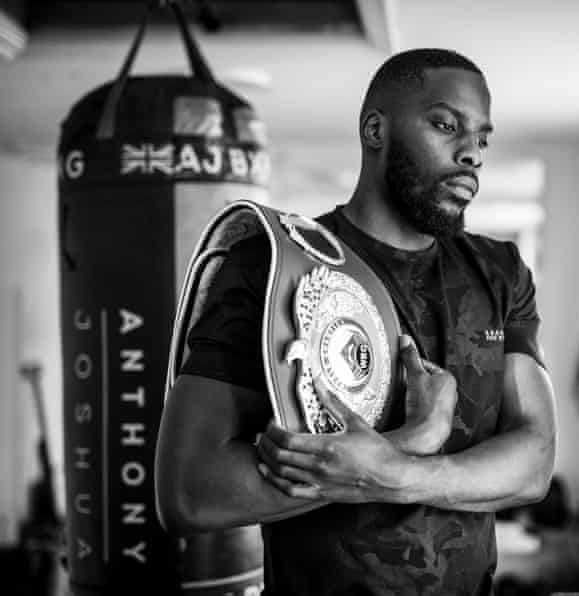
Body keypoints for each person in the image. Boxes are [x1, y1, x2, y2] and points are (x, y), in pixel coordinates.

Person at [155, 48, 557, 596]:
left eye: (481, 138)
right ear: (375, 129)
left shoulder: (501, 273)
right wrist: (412, 439)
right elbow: (189, 493)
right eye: (446, 125)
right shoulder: (270, 267)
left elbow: (533, 462)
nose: (471, 154)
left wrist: (392, 471)